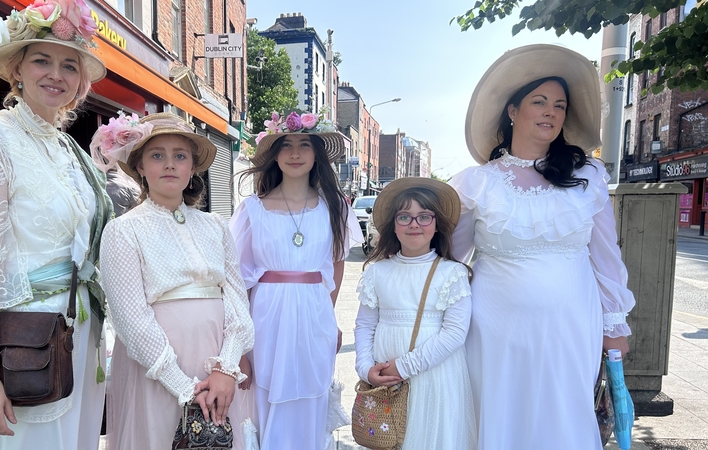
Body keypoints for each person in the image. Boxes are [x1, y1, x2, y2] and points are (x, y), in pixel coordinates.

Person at [449, 44, 636, 449]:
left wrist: (615, 325)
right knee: (497, 415)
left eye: (560, 105)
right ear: (513, 111)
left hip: (570, 324)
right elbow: (451, 260)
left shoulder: (588, 177)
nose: (551, 111)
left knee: (563, 418)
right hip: (493, 328)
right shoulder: (475, 183)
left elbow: (606, 258)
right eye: (539, 101)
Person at [0, 2, 112, 448]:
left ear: (81, 82)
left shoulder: (73, 152)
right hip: (30, 344)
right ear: (17, 68)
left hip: (83, 334)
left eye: (69, 65)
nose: (55, 74)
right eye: (42, 59)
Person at [95, 112, 256, 450]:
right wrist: (184, 387)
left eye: (180, 156)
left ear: (193, 167)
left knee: (215, 439)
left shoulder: (214, 226)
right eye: (157, 155)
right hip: (159, 368)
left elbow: (238, 301)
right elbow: (131, 321)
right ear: (139, 166)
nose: (169, 164)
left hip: (215, 359)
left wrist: (226, 368)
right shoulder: (124, 230)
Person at [230, 111, 363, 449]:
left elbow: (335, 266)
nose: (294, 153)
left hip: (313, 315)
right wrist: (241, 344)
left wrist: (328, 318)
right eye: (285, 145)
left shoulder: (336, 208)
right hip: (265, 317)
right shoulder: (252, 210)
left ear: (317, 152)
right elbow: (238, 279)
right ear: (274, 154)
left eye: (304, 144)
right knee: (265, 397)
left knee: (310, 395)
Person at [354, 177, 477, 450]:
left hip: (435, 377)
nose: (414, 224)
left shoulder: (451, 273)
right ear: (393, 227)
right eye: (404, 217)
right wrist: (365, 368)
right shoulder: (377, 272)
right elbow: (364, 326)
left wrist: (405, 366)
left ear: (436, 226)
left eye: (424, 216)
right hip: (385, 378)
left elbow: (455, 333)